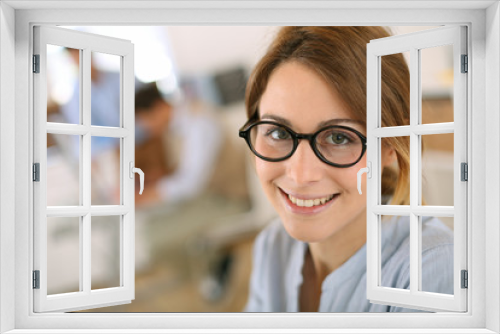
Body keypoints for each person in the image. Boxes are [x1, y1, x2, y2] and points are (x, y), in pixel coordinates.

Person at [240, 26, 453, 312]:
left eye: (339, 138)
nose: (300, 175)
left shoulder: (431, 273)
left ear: (393, 143)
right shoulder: (273, 246)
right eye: (278, 133)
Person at [134, 82, 223, 206]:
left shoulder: (198, 123)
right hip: (208, 194)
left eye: (145, 120)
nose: (146, 129)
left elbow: (191, 184)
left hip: (224, 196)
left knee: (152, 224)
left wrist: (144, 196)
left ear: (159, 107)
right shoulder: (175, 127)